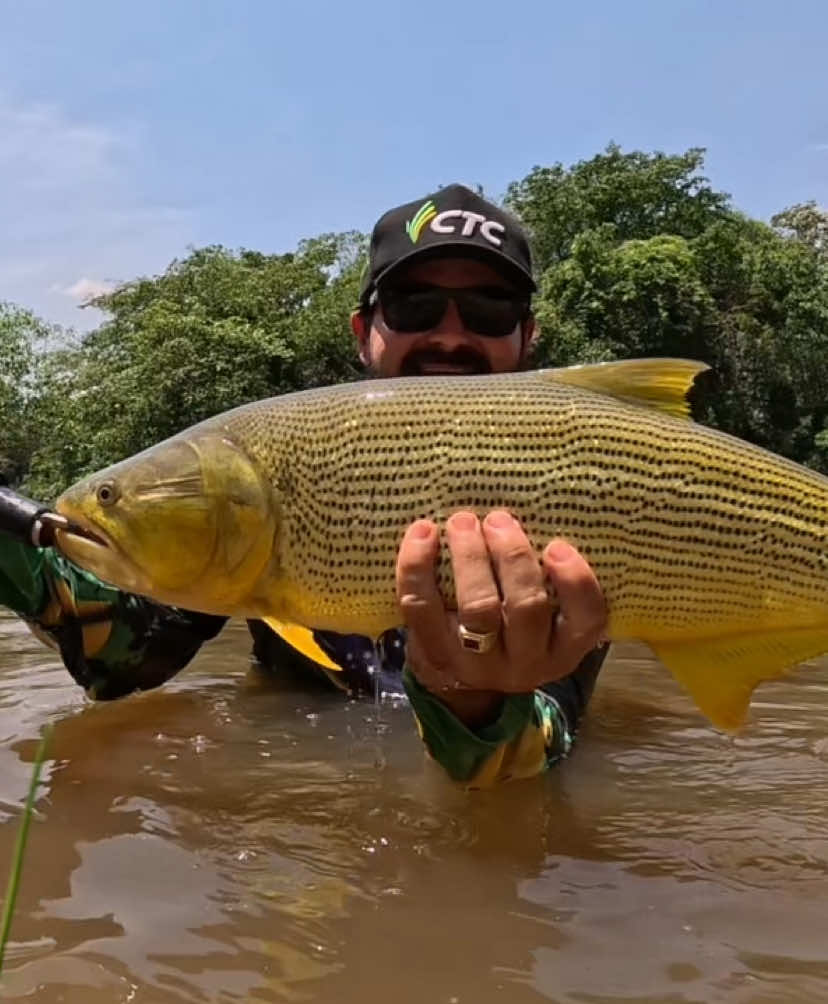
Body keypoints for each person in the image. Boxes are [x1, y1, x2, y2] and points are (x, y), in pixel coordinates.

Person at [0, 184, 608, 787]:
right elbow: (121, 651)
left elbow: (535, 764)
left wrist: (474, 700)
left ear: (528, 336)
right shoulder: (268, 469)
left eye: (490, 309)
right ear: (363, 330)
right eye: (413, 306)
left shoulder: (600, 486)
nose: (450, 335)